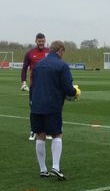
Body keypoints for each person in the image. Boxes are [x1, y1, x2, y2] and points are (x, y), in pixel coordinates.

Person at [29, 40, 80, 179]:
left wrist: (31, 104)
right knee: (57, 135)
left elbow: (32, 87)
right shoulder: (62, 65)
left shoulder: (38, 65)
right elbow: (68, 89)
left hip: (36, 106)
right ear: (60, 51)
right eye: (63, 52)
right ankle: (56, 167)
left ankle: (43, 169)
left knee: (40, 135)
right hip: (52, 106)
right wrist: (75, 92)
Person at [21, 32, 50, 140]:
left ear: (45, 41)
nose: (41, 43)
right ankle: (33, 131)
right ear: (36, 41)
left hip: (47, 86)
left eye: (43, 41)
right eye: (39, 41)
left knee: (47, 107)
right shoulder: (30, 53)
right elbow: (24, 68)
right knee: (34, 108)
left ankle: (46, 131)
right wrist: (23, 82)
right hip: (35, 87)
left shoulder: (49, 52)